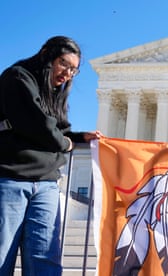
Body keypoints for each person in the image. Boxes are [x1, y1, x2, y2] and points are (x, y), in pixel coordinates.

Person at [0, 36, 101, 275]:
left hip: (46, 185)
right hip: (10, 179)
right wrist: (65, 143)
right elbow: (38, 124)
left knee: (46, 261)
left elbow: (59, 128)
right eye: (64, 64)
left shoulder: (53, 92)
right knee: (2, 256)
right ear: (47, 54)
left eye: (74, 70)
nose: (67, 73)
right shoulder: (17, 77)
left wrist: (77, 138)